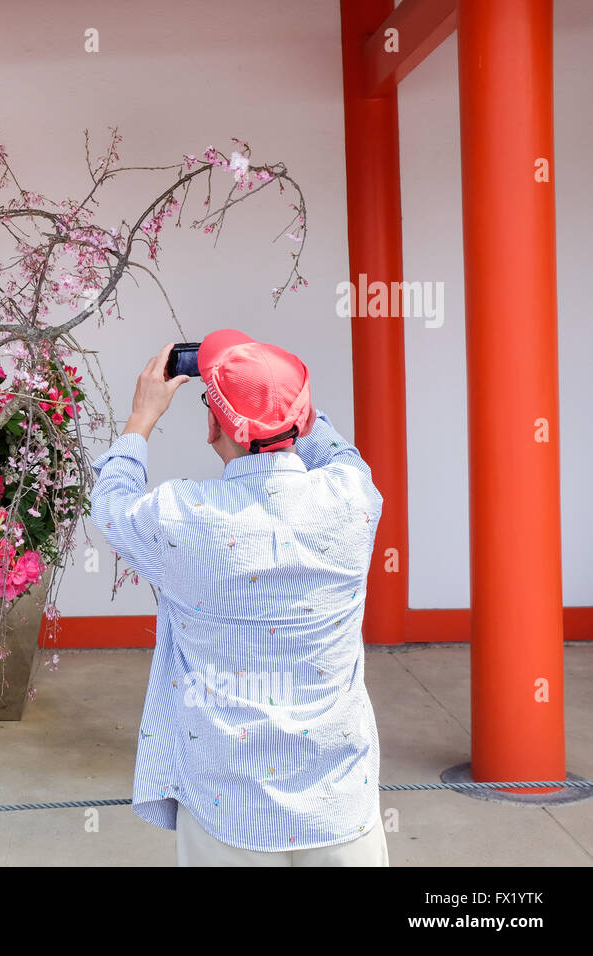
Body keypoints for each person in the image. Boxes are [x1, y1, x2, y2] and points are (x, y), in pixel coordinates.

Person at [88, 330, 388, 866]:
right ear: (305, 418)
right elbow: (337, 449)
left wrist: (142, 417)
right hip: (340, 800)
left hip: (228, 800)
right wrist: (273, 387)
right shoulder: (353, 499)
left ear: (211, 426)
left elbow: (112, 504)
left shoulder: (183, 517)